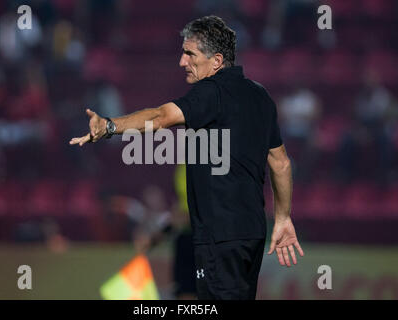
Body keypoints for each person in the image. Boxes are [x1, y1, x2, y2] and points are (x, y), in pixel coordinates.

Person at [70, 15, 304, 300]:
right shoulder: (260, 96)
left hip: (218, 235)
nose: (182, 62)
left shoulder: (210, 92)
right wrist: (282, 218)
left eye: (190, 54)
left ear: (216, 61)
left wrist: (109, 126)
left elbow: (159, 117)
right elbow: (280, 163)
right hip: (250, 234)